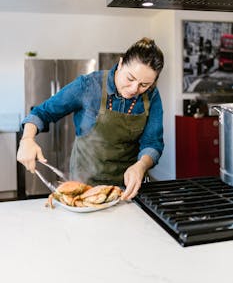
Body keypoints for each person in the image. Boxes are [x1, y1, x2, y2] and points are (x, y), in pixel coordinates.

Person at [17, 37, 164, 200]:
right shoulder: (88, 86)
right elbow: (42, 112)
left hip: (127, 188)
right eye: (130, 79)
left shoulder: (152, 96)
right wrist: (27, 139)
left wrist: (141, 166)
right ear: (121, 64)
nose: (135, 89)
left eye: (144, 85)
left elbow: (153, 142)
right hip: (84, 186)